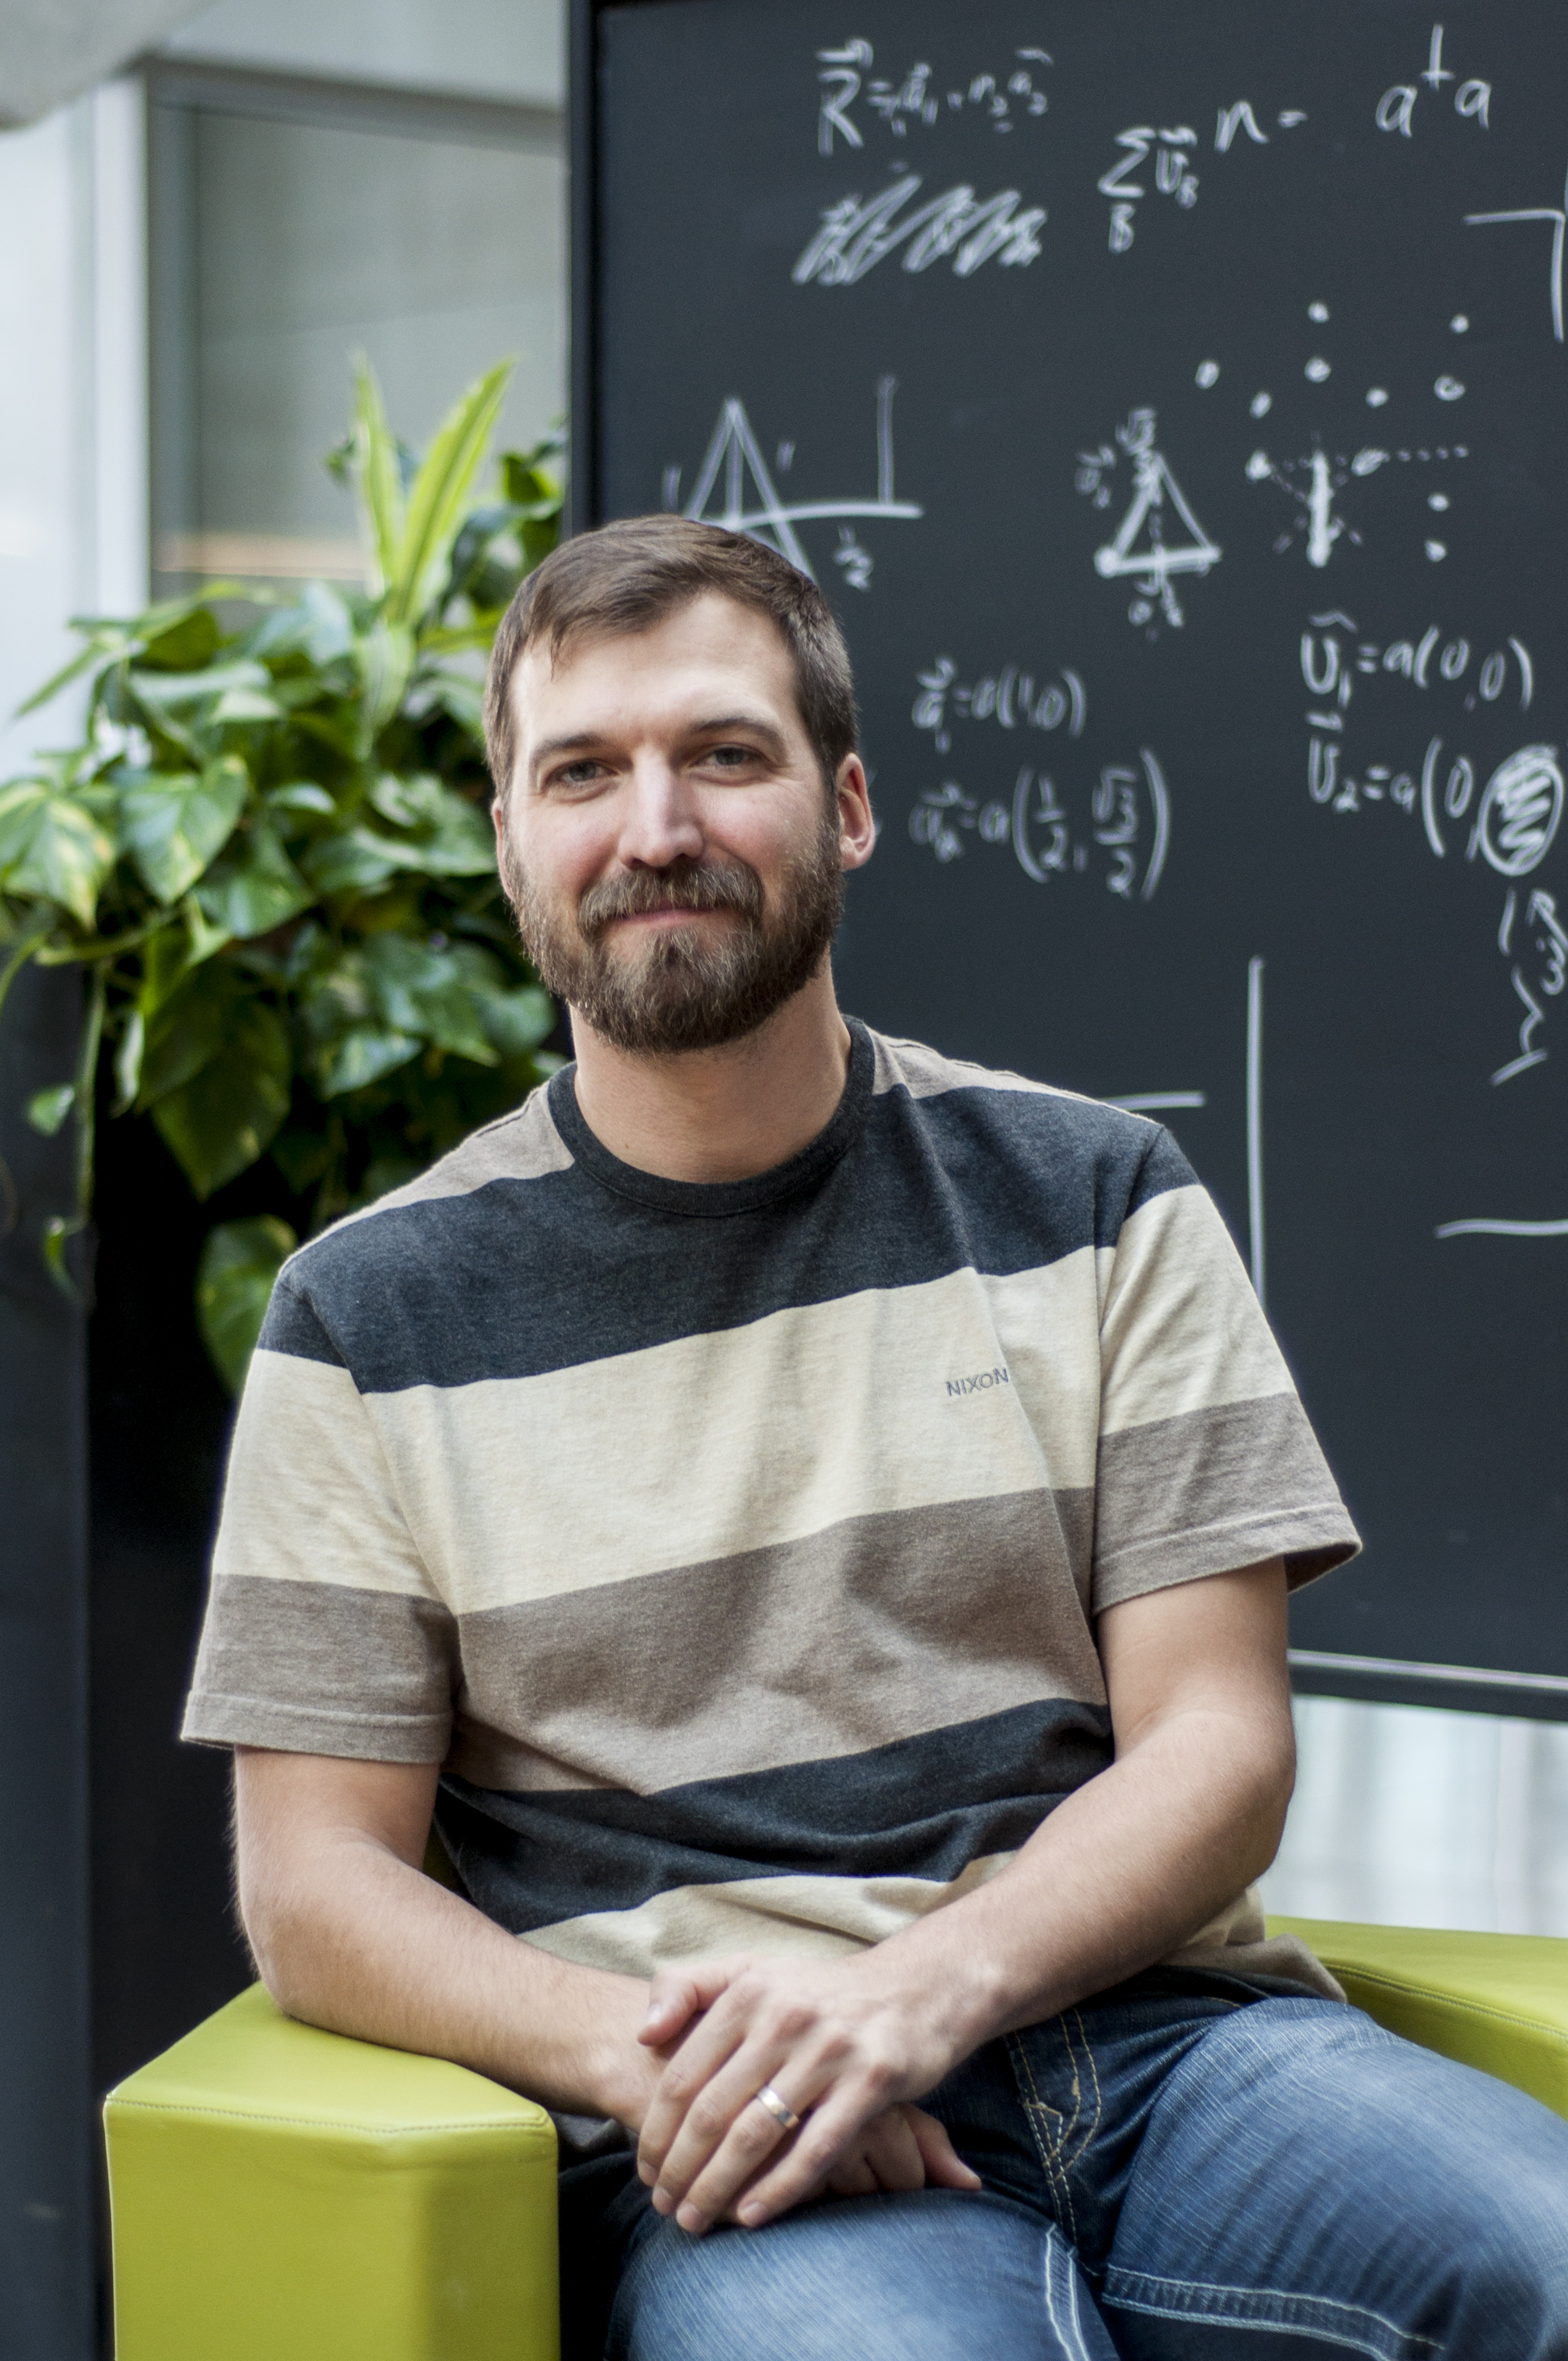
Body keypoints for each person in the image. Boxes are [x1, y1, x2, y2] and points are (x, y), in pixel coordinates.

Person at [184, 516, 1568, 2361]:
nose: (654, 825)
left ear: (846, 805)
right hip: (729, 2145)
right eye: (582, 772)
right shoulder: (363, 1318)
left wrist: (912, 1999)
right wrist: (677, 2066)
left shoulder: (1095, 1195)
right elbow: (315, 1888)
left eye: (722, 755)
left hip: (1162, 2048)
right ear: (510, 840)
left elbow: (1221, 1741)